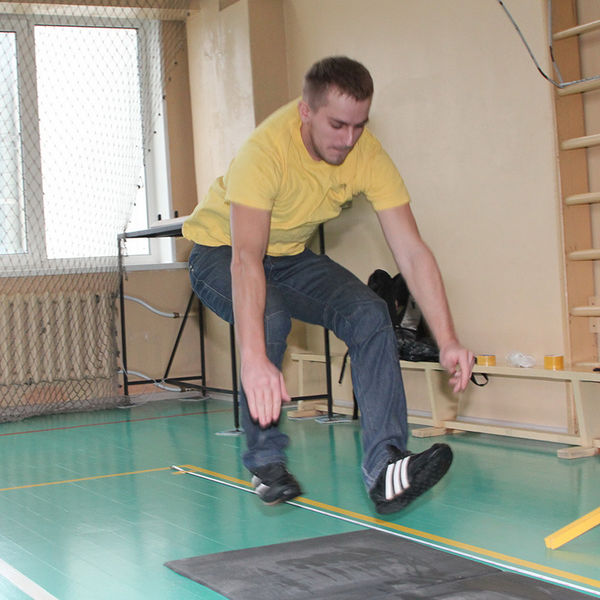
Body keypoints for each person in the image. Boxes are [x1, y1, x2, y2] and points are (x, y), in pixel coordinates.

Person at [183, 56, 474, 514]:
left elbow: (412, 251)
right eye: (338, 125)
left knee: (369, 312)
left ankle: (385, 467)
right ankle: (266, 461)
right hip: (221, 252)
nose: (349, 139)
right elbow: (246, 260)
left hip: (290, 256)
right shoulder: (266, 152)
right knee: (270, 315)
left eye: (359, 126)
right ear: (306, 111)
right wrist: (254, 359)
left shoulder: (367, 155)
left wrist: (448, 337)